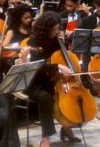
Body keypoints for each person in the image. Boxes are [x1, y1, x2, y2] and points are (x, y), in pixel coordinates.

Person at [19, 12, 80, 146]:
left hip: (53, 80)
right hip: (35, 82)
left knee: (73, 96)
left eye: (58, 28)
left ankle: (66, 126)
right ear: (45, 28)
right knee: (46, 98)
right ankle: (46, 137)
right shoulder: (34, 42)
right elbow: (37, 66)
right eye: (53, 29)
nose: (56, 32)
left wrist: (64, 42)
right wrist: (58, 66)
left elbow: (62, 56)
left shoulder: (56, 40)